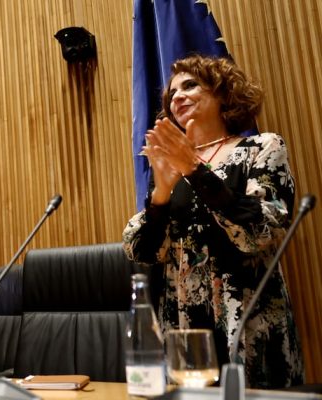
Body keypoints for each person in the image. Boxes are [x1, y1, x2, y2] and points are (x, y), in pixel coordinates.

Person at [123, 55, 304, 388]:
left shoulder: (261, 147)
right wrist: (161, 193)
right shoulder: (168, 169)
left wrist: (195, 170)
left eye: (190, 85)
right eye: (171, 93)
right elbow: (144, 252)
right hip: (184, 324)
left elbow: (258, 233)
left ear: (223, 92)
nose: (176, 96)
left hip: (249, 323)